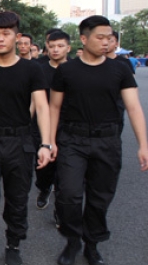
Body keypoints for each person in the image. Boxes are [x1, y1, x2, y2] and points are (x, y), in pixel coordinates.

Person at [50, 16, 148, 265]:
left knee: (100, 196)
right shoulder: (66, 70)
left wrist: (143, 145)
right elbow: (54, 107)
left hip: (108, 140)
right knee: (69, 194)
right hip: (73, 139)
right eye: (100, 37)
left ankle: (91, 244)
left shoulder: (120, 69)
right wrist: (49, 141)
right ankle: (73, 240)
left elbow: (134, 107)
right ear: (84, 39)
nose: (106, 42)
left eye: (109, 37)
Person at [0, 11, 52, 265]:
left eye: (5, 34)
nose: (0, 39)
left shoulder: (32, 70)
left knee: (16, 200)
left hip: (20, 142)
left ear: (17, 36)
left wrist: (46, 144)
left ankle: (13, 244)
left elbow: (43, 107)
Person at [34, 31, 71, 228]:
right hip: (40, 125)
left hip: (68, 127)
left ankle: (60, 210)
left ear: (68, 48)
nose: (55, 50)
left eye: (60, 46)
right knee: (43, 167)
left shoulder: (75, 69)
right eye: (52, 46)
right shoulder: (39, 69)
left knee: (65, 173)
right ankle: (44, 187)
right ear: (46, 47)